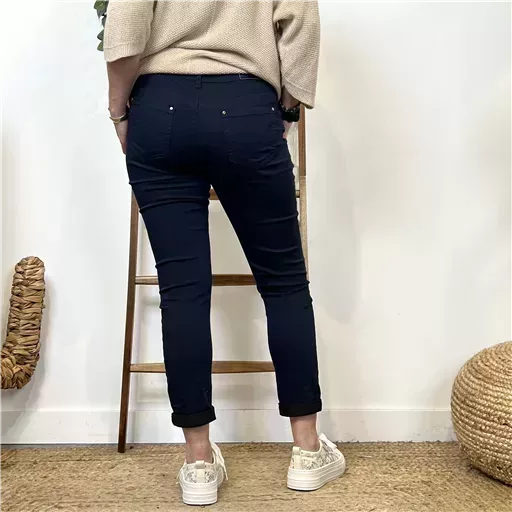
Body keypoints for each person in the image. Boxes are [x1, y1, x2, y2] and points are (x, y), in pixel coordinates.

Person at [103, 0, 345, 505]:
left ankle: (198, 463)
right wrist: (286, 107)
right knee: (283, 282)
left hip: (159, 108)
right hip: (245, 106)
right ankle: (306, 452)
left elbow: (125, 25)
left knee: (182, 290)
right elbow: (300, 19)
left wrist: (119, 110)